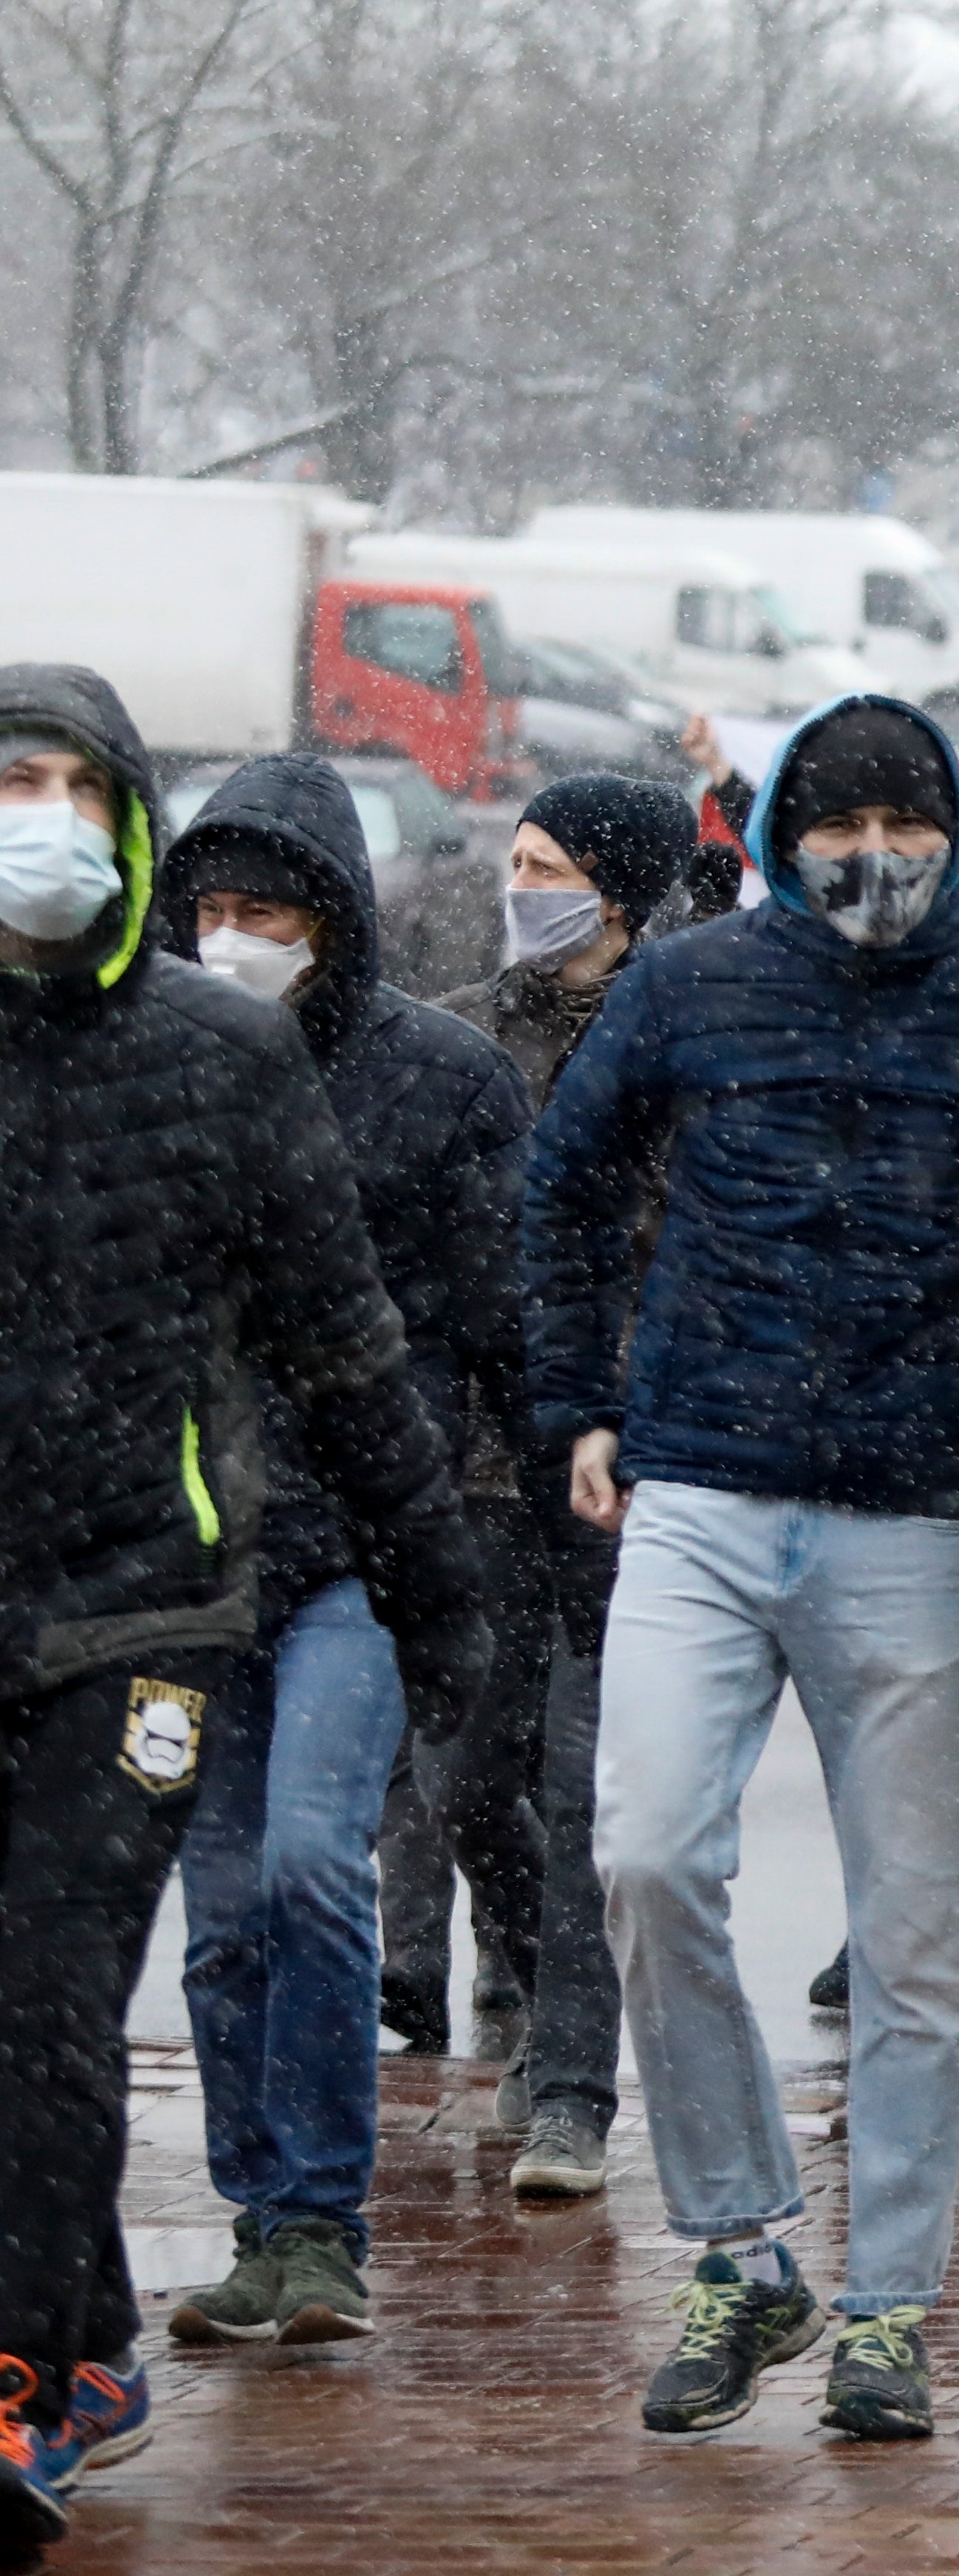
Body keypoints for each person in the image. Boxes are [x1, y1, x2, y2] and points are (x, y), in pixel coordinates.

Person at [525, 691, 959, 2445]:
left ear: (956, 827)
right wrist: (579, 1399)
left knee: (921, 1935)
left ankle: (886, 2304)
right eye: (835, 822)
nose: (869, 856)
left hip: (919, 1500)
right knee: (643, 1845)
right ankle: (740, 2239)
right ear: (778, 829)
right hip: (698, 1472)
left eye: (902, 820)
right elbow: (565, 1178)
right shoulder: (691, 983)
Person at [0, 668, 489, 2535]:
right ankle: (90, 2320)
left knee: (50, 1990)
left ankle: (25, 2371)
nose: (39, 813)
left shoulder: (221, 1053)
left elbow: (348, 1350)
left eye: (71, 784)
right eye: (7, 780)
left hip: (142, 1613)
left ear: (126, 819)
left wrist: (445, 1597)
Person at [151, 760, 530, 2357]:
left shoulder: (439, 1079)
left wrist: (566, 1464)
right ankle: (266, 2213)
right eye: (214, 910)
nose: (239, 937)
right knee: (224, 1904)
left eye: (272, 910)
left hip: (360, 1547)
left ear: (337, 917)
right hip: (180, 1557)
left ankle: (323, 2217)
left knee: (316, 1858)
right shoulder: (150, 1064)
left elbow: (503, 1303)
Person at [429, 771, 701, 2203]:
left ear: (618, 886)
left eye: (547, 863)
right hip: (480, 1458)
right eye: (514, 857)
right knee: (467, 1774)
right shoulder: (464, 1036)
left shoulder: (686, 1032)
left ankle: (574, 2084)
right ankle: (539, 1972)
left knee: (588, 1775)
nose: (518, 882)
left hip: (634, 1468)